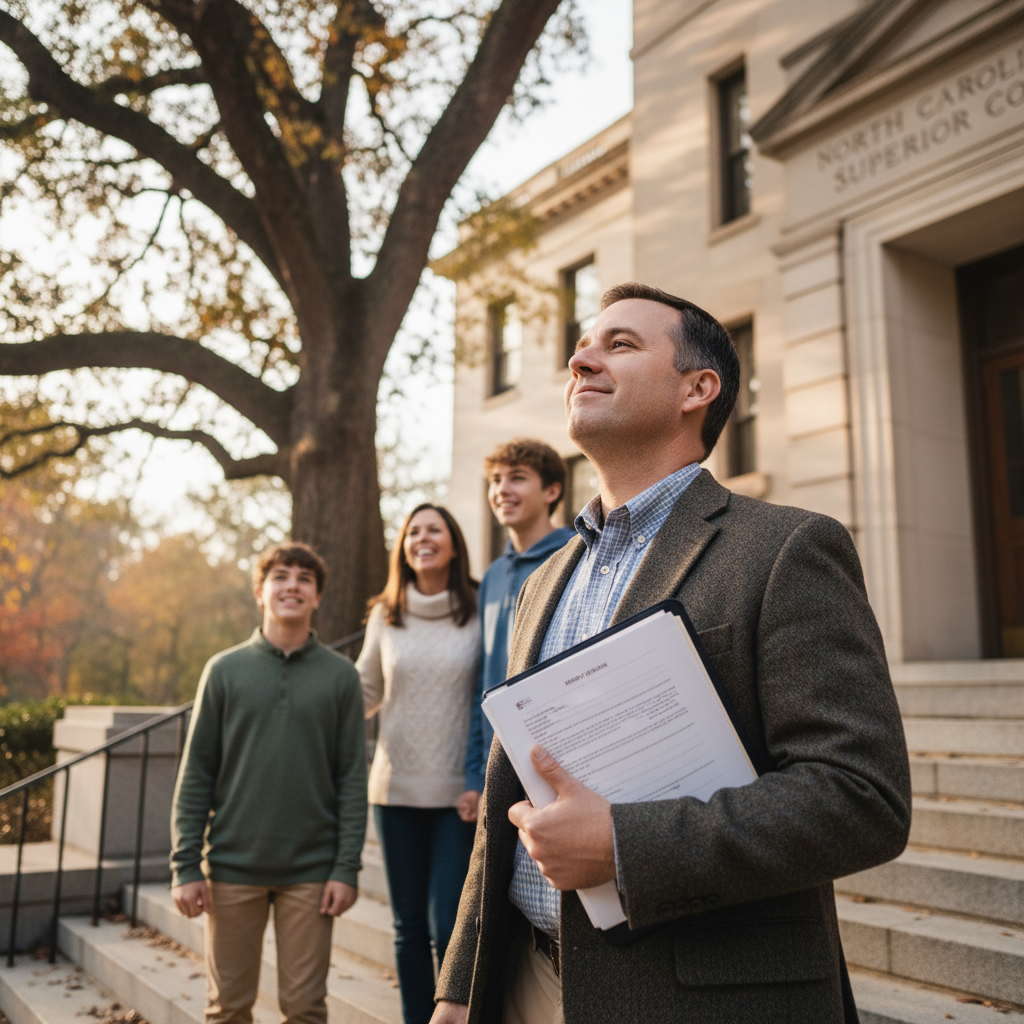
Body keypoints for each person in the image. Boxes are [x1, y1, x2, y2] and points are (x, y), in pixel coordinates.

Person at [432, 283, 912, 1024]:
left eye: (619, 344)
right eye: (582, 347)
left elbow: (861, 798)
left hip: (697, 999)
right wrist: (460, 985)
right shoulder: (542, 582)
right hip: (524, 981)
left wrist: (625, 844)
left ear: (698, 389)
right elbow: (507, 794)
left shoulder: (787, 548)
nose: (580, 360)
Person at [170, 542, 367, 1024]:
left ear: (317, 597)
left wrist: (345, 867)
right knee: (227, 1009)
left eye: (304, 579)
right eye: (280, 576)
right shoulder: (223, 670)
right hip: (232, 868)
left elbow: (351, 779)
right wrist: (185, 865)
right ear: (260, 591)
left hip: (312, 872)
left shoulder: (341, 677)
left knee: (305, 1009)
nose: (292, 586)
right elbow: (196, 774)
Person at [357, 504, 481, 1024]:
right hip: (394, 790)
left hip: (459, 796)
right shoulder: (385, 614)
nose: (422, 538)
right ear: (403, 548)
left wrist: (481, 779)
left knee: (448, 926)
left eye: (434, 530)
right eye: (413, 532)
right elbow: (365, 690)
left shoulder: (480, 607)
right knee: (408, 929)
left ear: (453, 545)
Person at [457, 439, 575, 825]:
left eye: (517, 478)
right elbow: (483, 680)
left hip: (561, 757)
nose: (502, 490)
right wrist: (474, 775)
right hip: (497, 762)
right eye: (495, 480)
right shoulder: (492, 576)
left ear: (551, 492)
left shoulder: (575, 555)